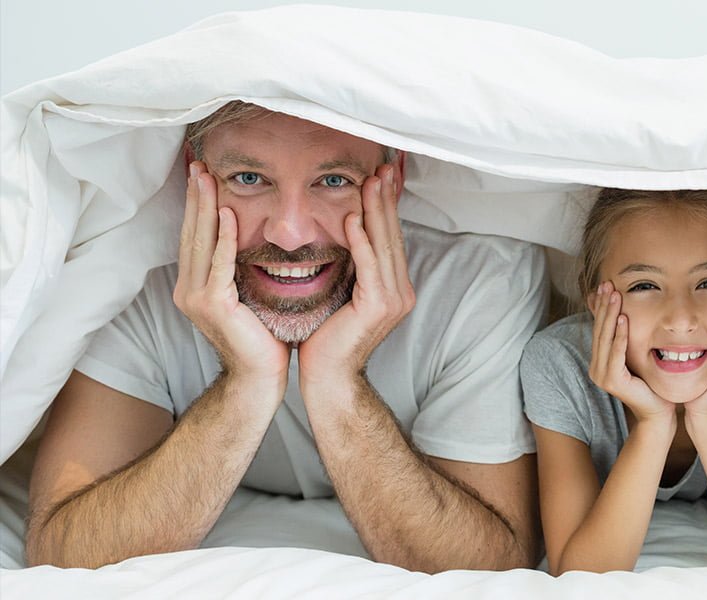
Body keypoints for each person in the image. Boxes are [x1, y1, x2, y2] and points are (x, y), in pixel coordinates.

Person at [25, 101, 548, 571]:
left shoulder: (479, 278)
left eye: (334, 180)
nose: (290, 233)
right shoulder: (134, 273)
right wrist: (246, 380)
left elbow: (490, 568)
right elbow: (64, 556)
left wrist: (337, 382)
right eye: (250, 178)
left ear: (392, 179)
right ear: (195, 173)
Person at [521, 188, 707, 575]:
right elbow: (581, 576)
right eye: (644, 286)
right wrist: (653, 424)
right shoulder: (559, 364)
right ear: (596, 301)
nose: (680, 318)